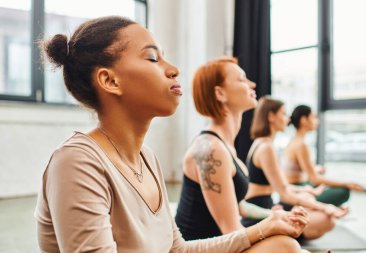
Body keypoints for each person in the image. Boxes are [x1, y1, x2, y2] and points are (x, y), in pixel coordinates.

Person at [34, 16, 308, 253]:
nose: (174, 69)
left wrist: (264, 228)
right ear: (110, 80)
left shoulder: (147, 159)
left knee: (281, 245)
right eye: (153, 57)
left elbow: (176, 249)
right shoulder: (76, 162)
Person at [175, 58, 310, 252]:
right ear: (220, 93)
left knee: (288, 243)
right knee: (286, 245)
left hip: (221, 241)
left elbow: (239, 207)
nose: (252, 84)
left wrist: (274, 216)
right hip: (201, 248)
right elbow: (230, 229)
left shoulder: (225, 146)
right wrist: (270, 227)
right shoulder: (211, 149)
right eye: (241, 79)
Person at [242, 96, 348, 240]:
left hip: (268, 204)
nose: (288, 119)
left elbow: (282, 186)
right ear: (271, 116)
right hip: (259, 212)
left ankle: (290, 235)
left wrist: (306, 189)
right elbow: (285, 194)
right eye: (284, 114)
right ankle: (288, 237)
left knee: (317, 210)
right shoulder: (266, 147)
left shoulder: (263, 143)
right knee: (327, 219)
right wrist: (325, 206)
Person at [283, 105, 364, 207]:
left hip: (296, 187)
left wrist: (315, 169)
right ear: (304, 120)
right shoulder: (301, 145)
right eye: (314, 117)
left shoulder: (293, 141)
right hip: (297, 192)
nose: (317, 121)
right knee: (343, 191)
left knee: (323, 183)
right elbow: (315, 179)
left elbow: (299, 171)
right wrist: (346, 183)